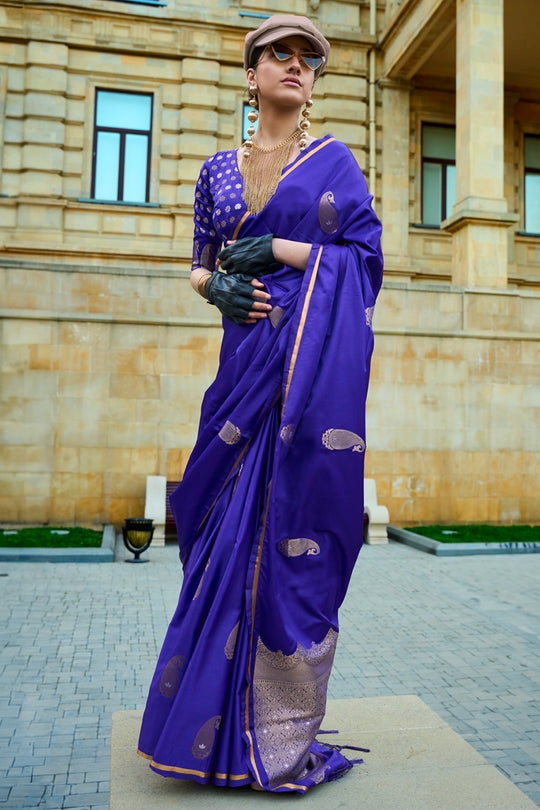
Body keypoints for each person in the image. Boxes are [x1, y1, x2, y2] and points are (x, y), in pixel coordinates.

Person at [137, 13, 383, 794]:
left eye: (308, 58)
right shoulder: (215, 171)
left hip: (304, 381)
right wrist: (220, 286)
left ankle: (275, 737)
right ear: (251, 74)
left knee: (290, 533)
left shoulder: (335, 163)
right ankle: (201, 733)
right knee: (219, 532)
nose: (296, 66)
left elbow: (365, 266)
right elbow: (197, 267)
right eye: (280, 54)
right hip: (242, 371)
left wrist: (275, 251)